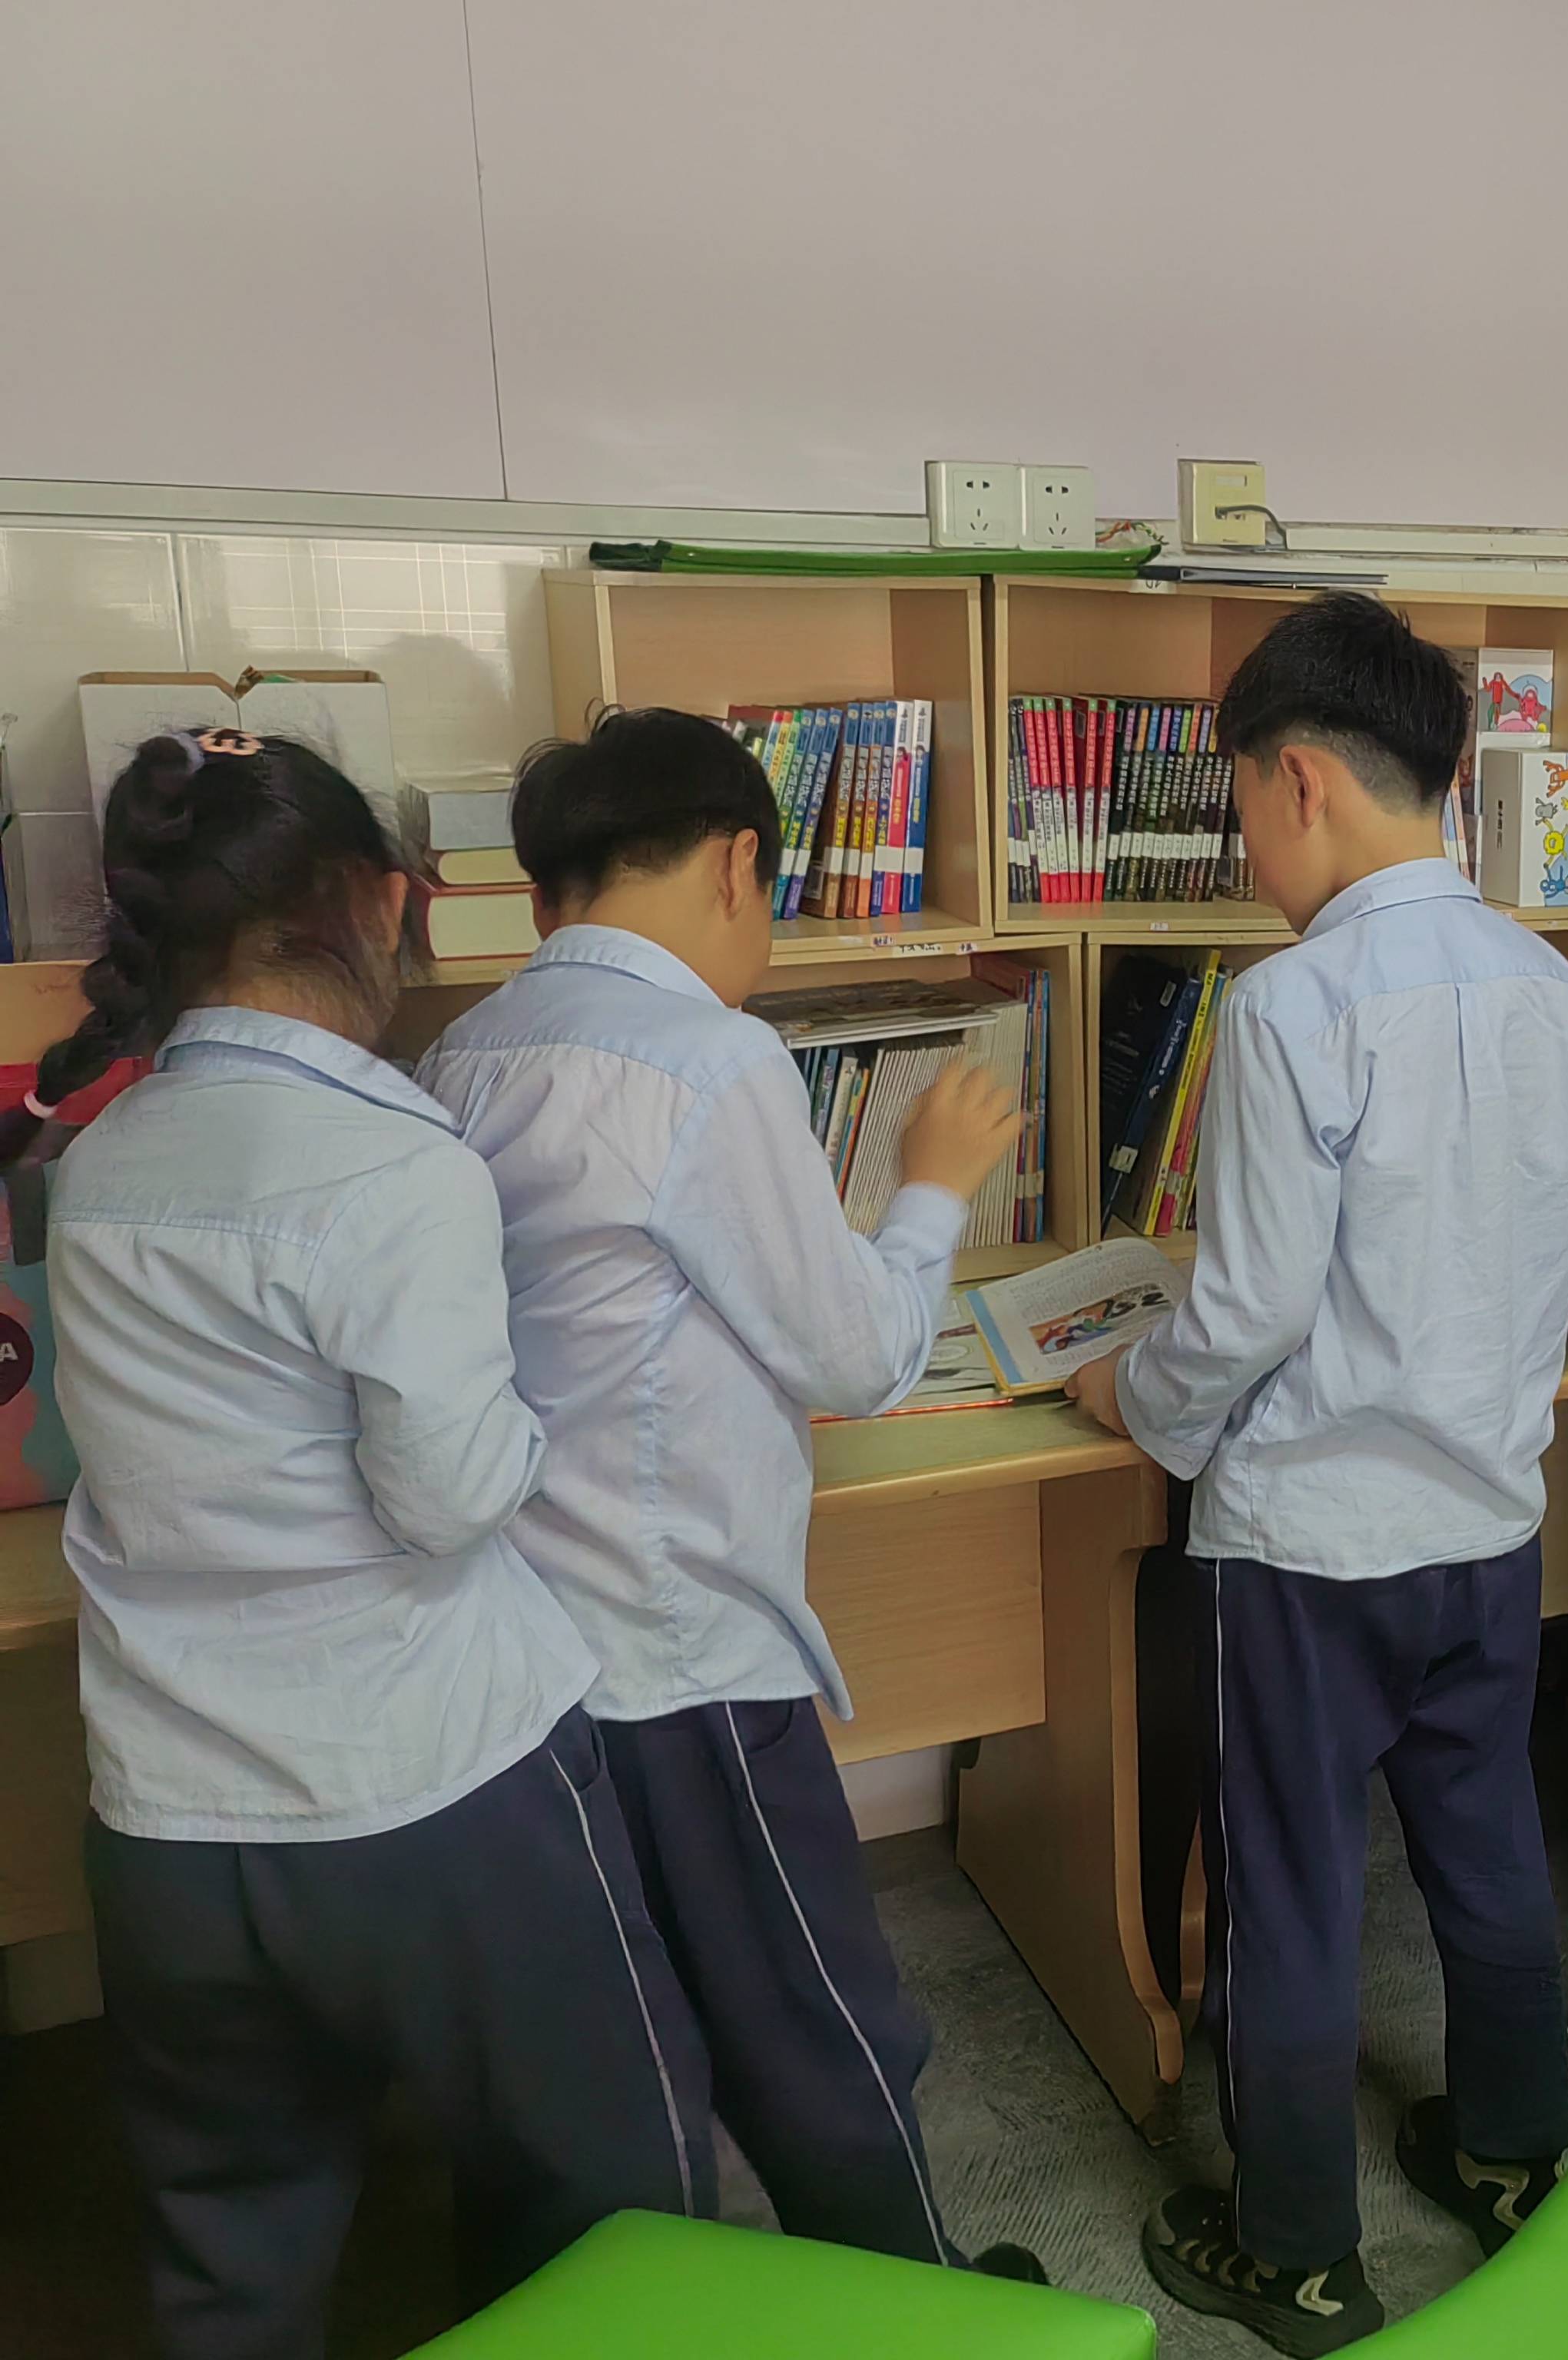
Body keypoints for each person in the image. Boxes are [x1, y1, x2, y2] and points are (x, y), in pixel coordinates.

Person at [48, 729, 710, 2357]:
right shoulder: (397, 1162)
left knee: (234, 2240)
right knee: (613, 2193)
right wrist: (547, 1405)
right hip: (426, 1798)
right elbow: (451, 1497)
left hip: (169, 1824)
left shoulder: (97, 1161)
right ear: (373, 899)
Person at [414, 709, 1021, 2270]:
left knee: (611, 2046)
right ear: (742, 862)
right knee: (820, 2027)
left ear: (544, 889)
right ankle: (919, 2308)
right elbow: (860, 1357)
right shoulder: (713, 1058)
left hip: (527, 1659)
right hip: (683, 1649)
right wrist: (934, 1189)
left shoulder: (459, 1053)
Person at [1067, 595, 1568, 2355]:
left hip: (1308, 1547)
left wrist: (1128, 1395)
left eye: (1240, 802)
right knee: (1489, 1846)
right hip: (1488, 1524)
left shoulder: (1293, 1004)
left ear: (1296, 778)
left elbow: (1243, 1308)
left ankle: (1297, 2250)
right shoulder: (1555, 990)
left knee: (1289, 1894)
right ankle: (1515, 2153)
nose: (1247, 846)